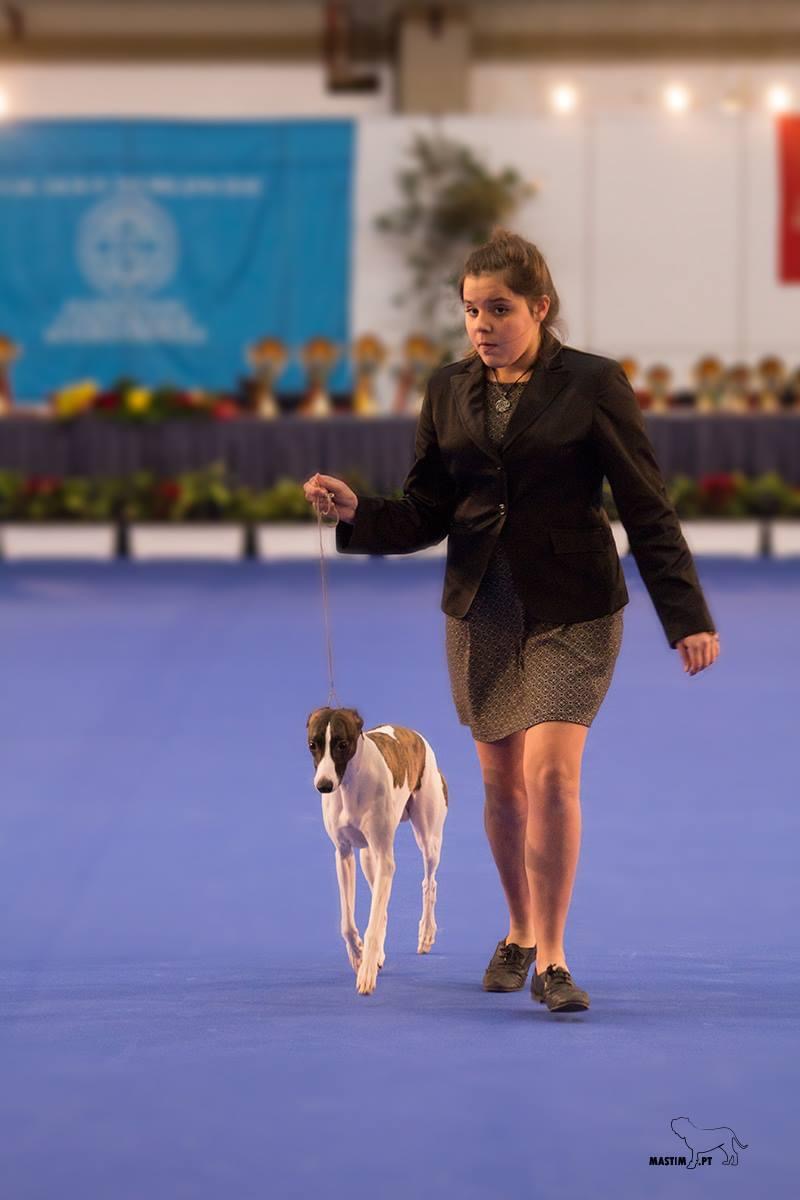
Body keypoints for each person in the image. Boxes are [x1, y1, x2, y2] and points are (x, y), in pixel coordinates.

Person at [303, 228, 719, 1014]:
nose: (482, 325)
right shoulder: (446, 390)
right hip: (482, 606)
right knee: (501, 786)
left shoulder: (593, 383)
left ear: (540, 307)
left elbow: (646, 507)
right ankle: (519, 928)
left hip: (575, 607)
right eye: (470, 310)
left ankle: (552, 956)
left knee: (551, 775)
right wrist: (358, 512)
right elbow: (428, 510)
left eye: (498, 308)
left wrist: (686, 614)